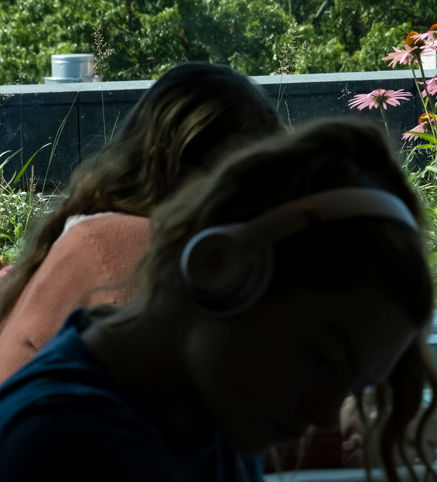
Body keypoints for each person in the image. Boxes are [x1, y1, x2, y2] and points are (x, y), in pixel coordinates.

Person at [0, 117, 437, 482]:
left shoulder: (199, 406)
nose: (325, 415)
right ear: (221, 271)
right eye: (323, 357)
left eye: (351, 388)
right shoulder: (68, 448)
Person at [0, 62, 283, 382]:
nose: (249, 209)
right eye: (235, 185)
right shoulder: (127, 246)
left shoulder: (95, 232)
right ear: (167, 163)